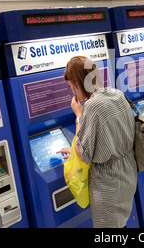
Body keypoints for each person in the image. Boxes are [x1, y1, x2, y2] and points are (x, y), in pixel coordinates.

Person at [57, 56, 137, 228]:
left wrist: (79, 116)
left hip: (108, 181)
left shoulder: (93, 106)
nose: (72, 91)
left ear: (77, 81)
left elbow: (82, 153)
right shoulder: (116, 94)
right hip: (127, 172)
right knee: (119, 225)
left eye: (71, 86)